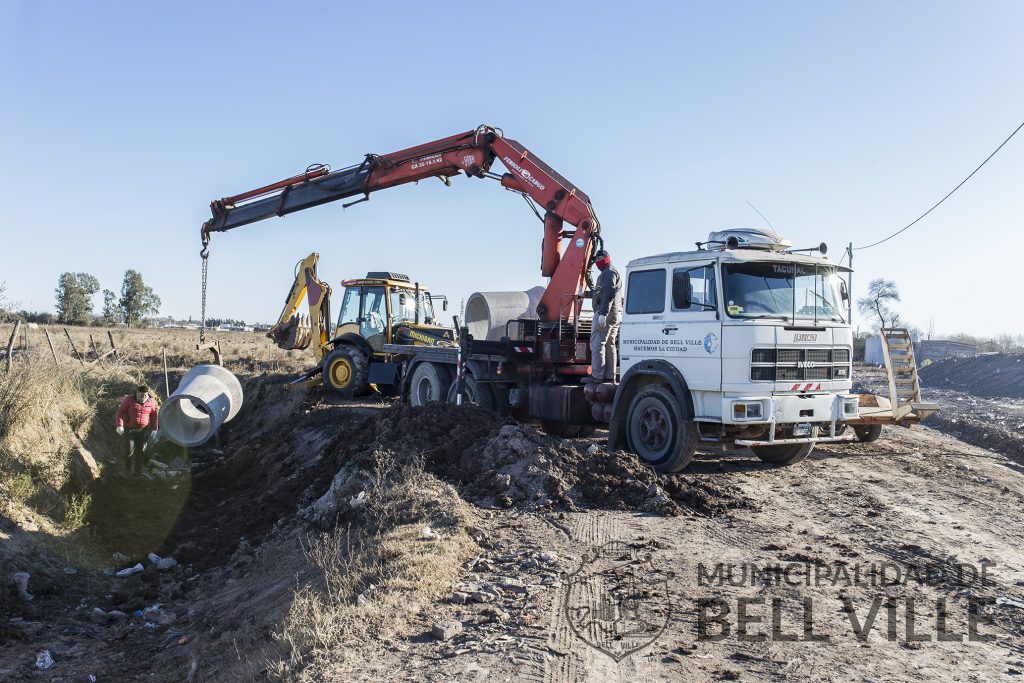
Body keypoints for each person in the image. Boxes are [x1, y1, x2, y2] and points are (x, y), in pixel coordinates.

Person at [588, 249, 623, 383]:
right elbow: (600, 292)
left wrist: (603, 313)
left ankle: (597, 376)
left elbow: (609, 294)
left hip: (607, 313)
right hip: (615, 313)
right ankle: (609, 376)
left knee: (598, 343)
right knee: (609, 345)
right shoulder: (609, 272)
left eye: (597, 259)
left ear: (604, 258)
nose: (596, 262)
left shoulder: (608, 273)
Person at [115, 385, 159, 476]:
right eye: (141, 396)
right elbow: (120, 412)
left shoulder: (151, 402)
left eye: (145, 396)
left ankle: (137, 472)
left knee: (141, 451)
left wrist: (155, 429)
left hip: (143, 430)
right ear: (137, 393)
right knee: (129, 449)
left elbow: (154, 415)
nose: (143, 398)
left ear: (147, 394)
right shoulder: (129, 400)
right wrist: (119, 425)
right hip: (129, 429)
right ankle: (127, 470)